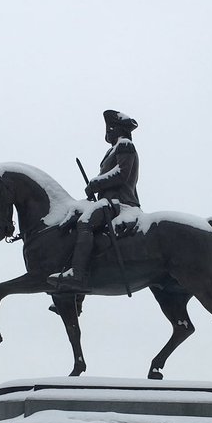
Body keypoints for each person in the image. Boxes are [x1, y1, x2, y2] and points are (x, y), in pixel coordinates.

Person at [48, 110, 141, 292]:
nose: (108, 131)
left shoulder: (125, 145)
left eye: (111, 128)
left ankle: (77, 275)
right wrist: (94, 190)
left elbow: (122, 173)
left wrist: (95, 183)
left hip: (119, 203)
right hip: (107, 201)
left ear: (119, 129)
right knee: (75, 215)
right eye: (108, 128)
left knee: (85, 222)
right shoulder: (112, 150)